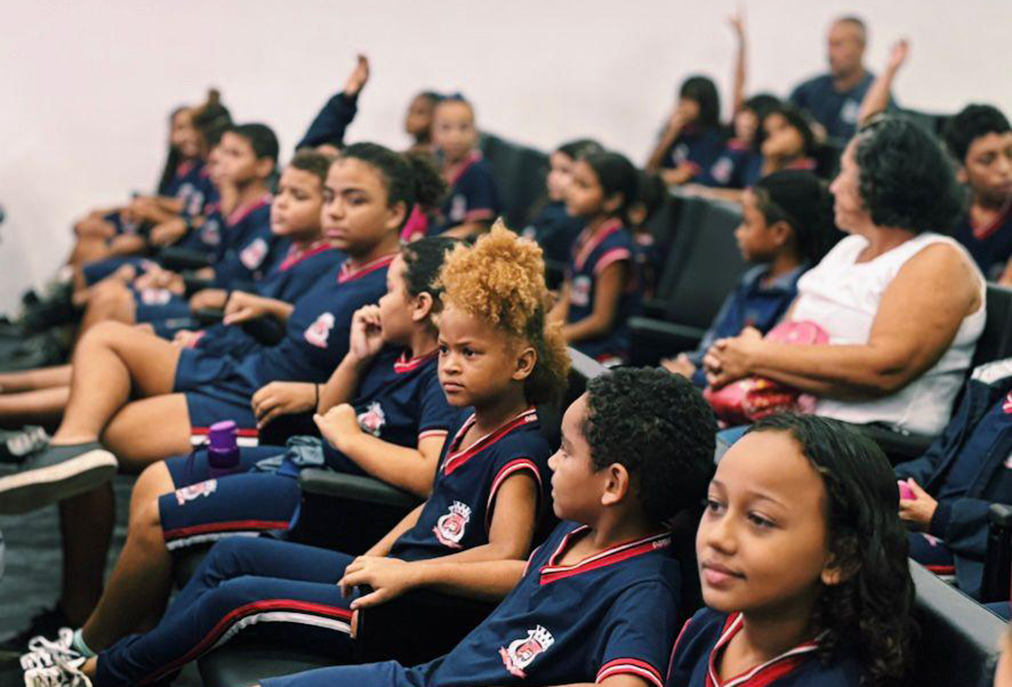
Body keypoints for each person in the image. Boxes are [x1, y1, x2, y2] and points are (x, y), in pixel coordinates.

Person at [16, 224, 571, 687]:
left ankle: (103, 671)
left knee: (236, 598)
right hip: (388, 577)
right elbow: (434, 505)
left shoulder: (519, 450)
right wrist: (378, 553)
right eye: (446, 350)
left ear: (522, 364)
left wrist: (410, 572)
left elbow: (509, 558)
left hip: (409, 610)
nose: (448, 365)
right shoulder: (473, 423)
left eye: (469, 353)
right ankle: (144, 665)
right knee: (231, 557)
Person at [0, 145, 436, 650]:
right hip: (241, 367)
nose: (333, 210)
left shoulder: (396, 292)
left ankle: (101, 634)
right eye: (331, 197)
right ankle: (83, 606)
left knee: (108, 436)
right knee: (101, 376)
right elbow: (317, 335)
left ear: (397, 213)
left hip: (263, 408)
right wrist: (270, 310)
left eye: (352, 200)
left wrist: (315, 392)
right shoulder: (339, 264)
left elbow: (384, 393)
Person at [216, 368, 711, 687]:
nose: (552, 462)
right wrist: (417, 574)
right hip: (421, 676)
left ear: (613, 485)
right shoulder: (579, 530)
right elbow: (528, 574)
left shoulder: (647, 586)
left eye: (565, 451)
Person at [704, 117, 984, 438]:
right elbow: (788, 336)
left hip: (864, 441)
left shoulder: (938, 259)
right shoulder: (850, 248)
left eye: (845, 172)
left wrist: (758, 355)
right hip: (789, 423)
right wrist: (744, 353)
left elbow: (883, 369)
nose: (833, 186)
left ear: (880, 183)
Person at [668, 414, 915, 686]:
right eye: (716, 505)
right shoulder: (707, 627)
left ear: (840, 558)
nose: (718, 537)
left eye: (760, 519)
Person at [664, 170, 837, 387]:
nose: (738, 233)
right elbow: (713, 345)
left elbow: (763, 369)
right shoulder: (751, 281)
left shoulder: (803, 293)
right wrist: (686, 363)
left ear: (780, 233)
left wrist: (692, 376)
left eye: (746, 223)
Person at [894, 357, 1012, 598]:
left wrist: (941, 519)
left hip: (977, 559)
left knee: (861, 550)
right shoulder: (995, 379)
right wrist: (892, 483)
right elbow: (940, 458)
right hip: (933, 520)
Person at [550, 151, 640, 364]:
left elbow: (601, 321)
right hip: (573, 341)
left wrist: (559, 337)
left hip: (601, 355)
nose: (570, 191)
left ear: (612, 200)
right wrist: (546, 329)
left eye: (583, 185)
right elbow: (567, 297)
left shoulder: (615, 252)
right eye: (573, 181)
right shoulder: (585, 234)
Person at [789, 16, 893, 142]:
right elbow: (782, 117)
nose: (831, 54)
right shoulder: (809, 91)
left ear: (861, 47)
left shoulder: (878, 96)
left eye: (839, 45)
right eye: (829, 44)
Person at [943, 104, 1012, 282]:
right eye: (987, 160)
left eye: (1010, 154)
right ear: (960, 170)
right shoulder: (946, 218)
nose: (1005, 169)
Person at [521, 138, 604, 269]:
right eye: (551, 169)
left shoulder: (574, 220)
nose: (552, 178)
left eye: (564, 171)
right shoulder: (550, 205)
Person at [429, 95, 501, 237]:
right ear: (433, 133)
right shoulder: (437, 167)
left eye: (464, 127)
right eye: (446, 128)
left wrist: (440, 241)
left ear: (476, 132)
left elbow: (479, 226)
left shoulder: (478, 171)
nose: (455, 136)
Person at [646, 75, 726, 187]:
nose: (683, 105)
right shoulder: (677, 132)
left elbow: (688, 176)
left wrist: (664, 176)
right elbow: (649, 169)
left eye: (690, 100)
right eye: (682, 98)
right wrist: (670, 134)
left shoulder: (715, 137)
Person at [296, 54, 370, 155]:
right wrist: (346, 98)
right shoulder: (303, 162)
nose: (319, 160)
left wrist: (347, 98)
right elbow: (319, 135)